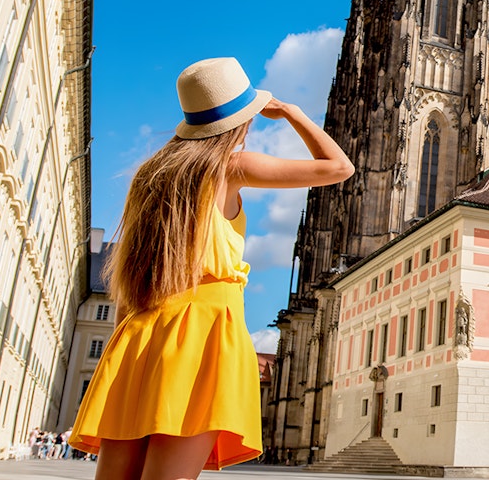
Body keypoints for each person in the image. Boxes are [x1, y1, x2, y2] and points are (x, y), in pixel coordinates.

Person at [68, 58, 353, 480]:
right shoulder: (229, 166)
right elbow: (339, 168)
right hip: (201, 337)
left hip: (138, 335)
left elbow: (130, 277)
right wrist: (292, 112)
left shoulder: (150, 176)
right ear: (242, 120)